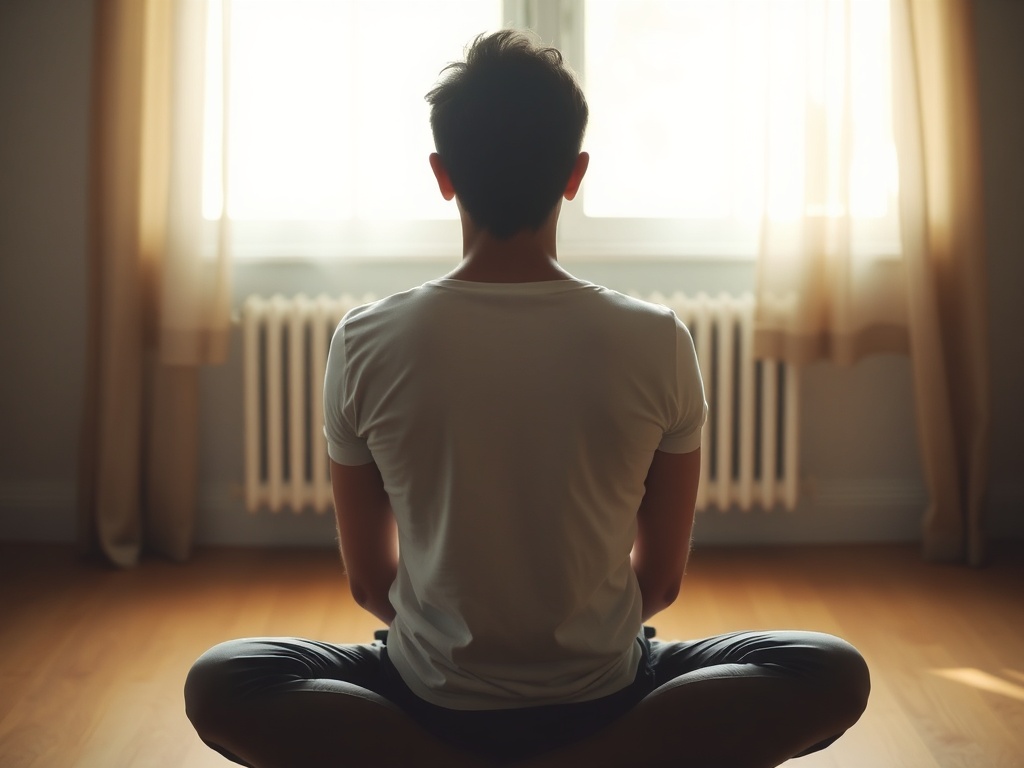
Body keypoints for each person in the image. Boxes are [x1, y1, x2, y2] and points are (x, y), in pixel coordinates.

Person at [184, 30, 869, 767]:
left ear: (443, 175)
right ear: (574, 175)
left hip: (430, 701)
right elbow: (662, 581)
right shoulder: (658, 339)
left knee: (223, 680)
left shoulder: (364, 341)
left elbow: (367, 581)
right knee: (828, 666)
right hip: (606, 699)